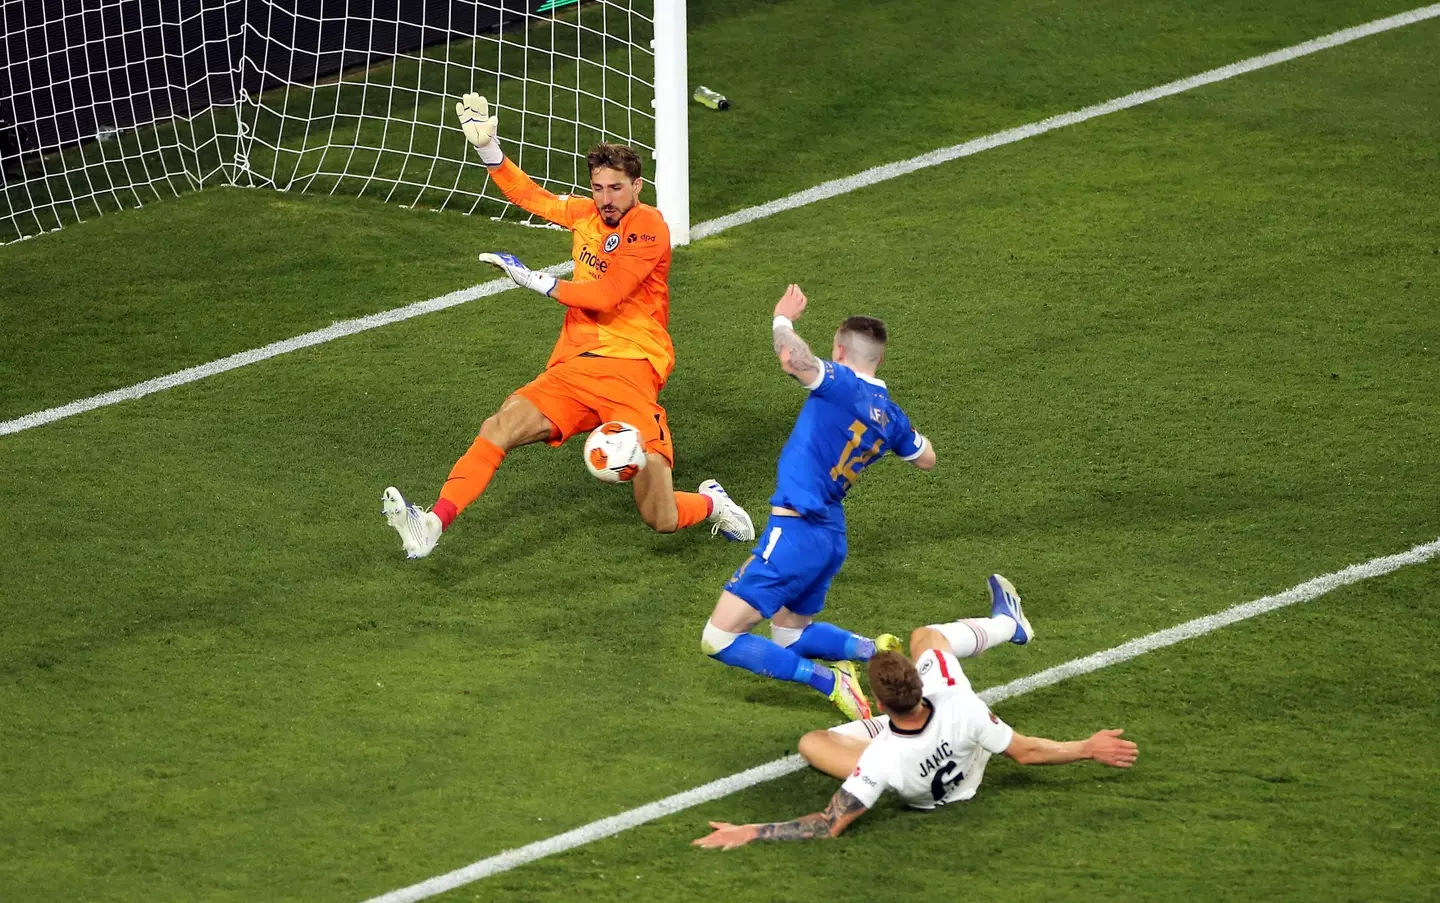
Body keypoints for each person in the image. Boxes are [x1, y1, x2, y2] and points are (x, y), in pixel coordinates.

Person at [381, 93, 753, 559]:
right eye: (598, 188)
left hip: (632, 371)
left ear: (637, 186)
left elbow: (606, 295)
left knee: (661, 517)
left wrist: (534, 279)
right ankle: (433, 523)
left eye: (616, 188)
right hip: (573, 369)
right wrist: (488, 149)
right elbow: (529, 196)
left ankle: (712, 502)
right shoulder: (585, 214)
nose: (606, 199)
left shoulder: (649, 227)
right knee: (500, 425)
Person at [693, 575, 1140, 847]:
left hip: (915, 778)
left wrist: (752, 830)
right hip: (966, 772)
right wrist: (1087, 747)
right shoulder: (958, 700)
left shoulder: (881, 759)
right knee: (927, 635)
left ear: (884, 704)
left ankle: (1008, 626)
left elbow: (826, 825)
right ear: (917, 681)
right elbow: (1026, 751)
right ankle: (1009, 625)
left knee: (812, 741)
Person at [700, 284, 937, 721]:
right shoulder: (893, 416)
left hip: (794, 533)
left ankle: (829, 681)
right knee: (789, 633)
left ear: (839, 350)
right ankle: (870, 650)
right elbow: (926, 458)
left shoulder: (840, 384)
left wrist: (782, 319)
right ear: (880, 359)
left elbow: (793, 359)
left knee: (719, 637)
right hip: (830, 534)